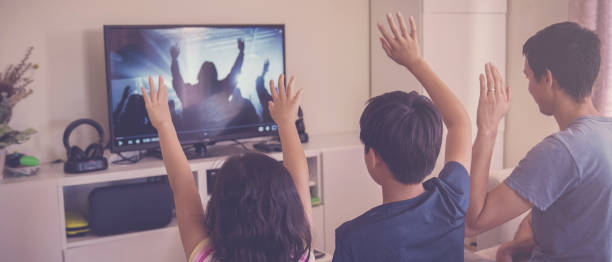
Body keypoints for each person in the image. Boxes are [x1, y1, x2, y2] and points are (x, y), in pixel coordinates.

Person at [465, 22, 612, 261]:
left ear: (548, 79)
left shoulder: (561, 151)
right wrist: (515, 245)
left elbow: (472, 222)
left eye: (529, 77)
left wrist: (487, 129)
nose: (529, 87)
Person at [332, 12, 472, 261]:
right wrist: (415, 61)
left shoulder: (354, 237)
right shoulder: (452, 199)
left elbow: (458, 123)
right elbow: (460, 122)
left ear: (374, 157)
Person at [140, 74, 314, 262]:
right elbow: (300, 179)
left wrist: (163, 123)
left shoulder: (207, 257)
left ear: (219, 211)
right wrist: (287, 122)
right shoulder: (301, 253)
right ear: (290, 211)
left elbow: (181, 181)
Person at [170, 39, 245, 130]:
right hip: (219, 136)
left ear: (200, 74)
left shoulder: (190, 92)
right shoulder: (222, 88)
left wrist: (174, 60)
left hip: (191, 136)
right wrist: (241, 53)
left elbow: (177, 81)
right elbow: (234, 72)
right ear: (215, 74)